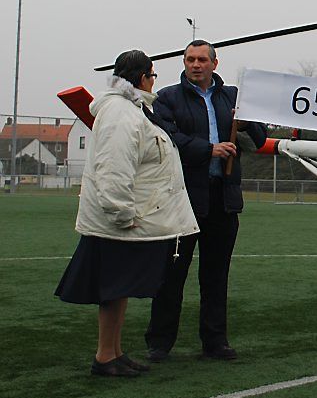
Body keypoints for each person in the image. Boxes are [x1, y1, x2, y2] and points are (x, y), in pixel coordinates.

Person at [55, 50, 199, 377]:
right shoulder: (121, 113)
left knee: (118, 290)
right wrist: (121, 213)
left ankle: (115, 352)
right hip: (117, 224)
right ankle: (105, 356)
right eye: (152, 74)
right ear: (141, 77)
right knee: (112, 290)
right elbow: (114, 170)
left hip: (127, 221)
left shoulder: (133, 109)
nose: (154, 80)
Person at [145, 40, 267, 361]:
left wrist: (249, 116)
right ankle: (160, 342)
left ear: (215, 63)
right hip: (181, 198)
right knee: (172, 275)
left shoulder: (232, 98)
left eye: (201, 59)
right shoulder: (167, 98)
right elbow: (168, 137)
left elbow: (259, 138)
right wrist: (208, 149)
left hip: (223, 199)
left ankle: (215, 341)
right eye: (190, 59)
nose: (195, 64)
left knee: (216, 276)